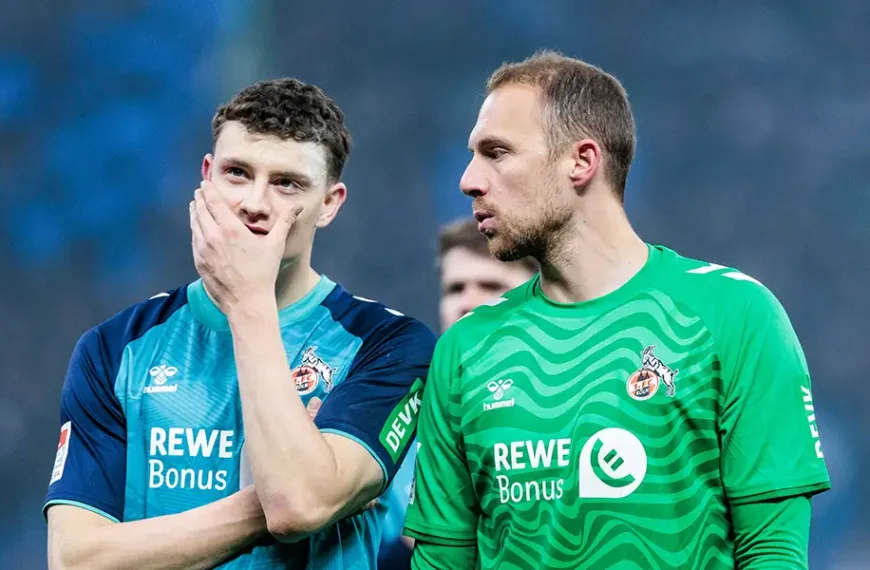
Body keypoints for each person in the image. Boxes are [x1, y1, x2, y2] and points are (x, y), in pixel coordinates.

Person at [403, 50, 831, 569]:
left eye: (497, 152)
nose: (469, 179)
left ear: (581, 161)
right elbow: (442, 562)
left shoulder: (734, 315)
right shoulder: (466, 348)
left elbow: (773, 551)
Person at [44, 77, 435, 570]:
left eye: (286, 183)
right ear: (206, 176)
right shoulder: (116, 346)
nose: (254, 203)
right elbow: (76, 561)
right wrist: (285, 491)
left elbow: (298, 507)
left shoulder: (390, 344)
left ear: (330, 204)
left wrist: (249, 299)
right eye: (236, 173)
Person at [378, 217, 537, 569]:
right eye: (455, 289)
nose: (467, 302)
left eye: (491, 285)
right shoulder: (396, 413)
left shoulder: (579, 403)